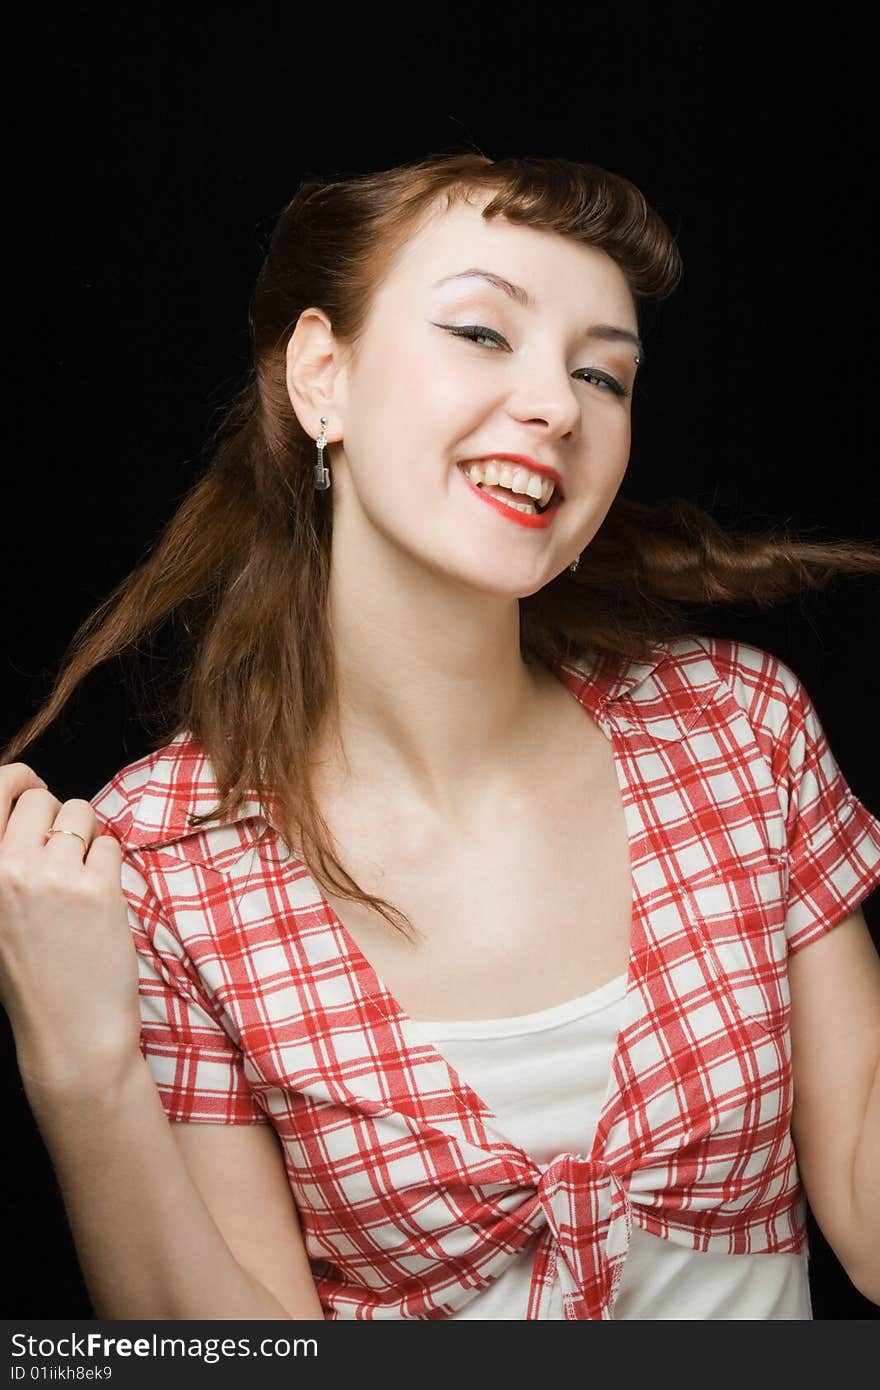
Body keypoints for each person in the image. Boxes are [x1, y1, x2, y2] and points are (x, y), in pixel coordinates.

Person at [2, 152, 879, 1321]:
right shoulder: (165, 863)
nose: (556, 405)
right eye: (480, 333)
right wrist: (80, 1070)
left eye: (603, 377)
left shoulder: (736, 731)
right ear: (321, 376)